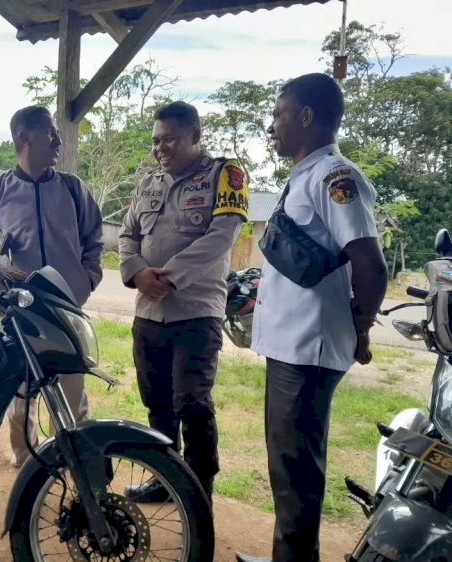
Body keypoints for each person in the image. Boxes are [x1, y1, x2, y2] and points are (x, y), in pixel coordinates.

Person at [235, 73, 388, 562]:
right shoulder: (305, 174)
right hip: (292, 348)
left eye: (279, 114)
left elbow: (370, 263)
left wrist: (360, 325)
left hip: (308, 351)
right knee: (287, 470)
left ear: (305, 116)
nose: (272, 125)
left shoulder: (334, 178)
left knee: (297, 475)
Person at [118, 101, 249, 503]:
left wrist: (168, 278)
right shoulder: (148, 183)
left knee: (192, 405)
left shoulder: (225, 174)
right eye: (157, 141)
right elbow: (127, 236)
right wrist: (138, 272)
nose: (162, 148)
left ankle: (198, 491)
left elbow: (222, 235)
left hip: (196, 313)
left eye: (171, 139)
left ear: (196, 135)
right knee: (156, 404)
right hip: (149, 313)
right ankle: (164, 479)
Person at [0, 105, 104, 468]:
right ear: (25, 137)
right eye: (50, 132)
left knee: (73, 393)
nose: (57, 139)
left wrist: (86, 281)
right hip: (18, 311)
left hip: (66, 308)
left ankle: (75, 464)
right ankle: (28, 466)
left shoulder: (73, 188)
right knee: (22, 396)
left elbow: (94, 239)